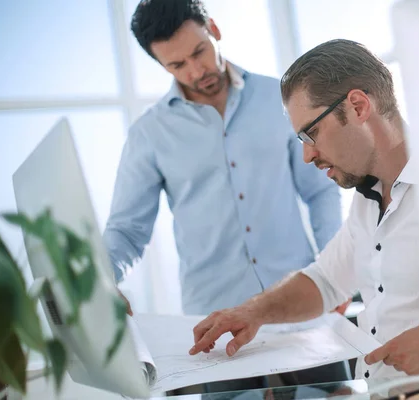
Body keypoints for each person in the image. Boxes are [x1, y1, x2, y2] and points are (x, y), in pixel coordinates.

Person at [103, 0, 350, 392]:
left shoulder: (278, 99)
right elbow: (128, 231)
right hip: (214, 329)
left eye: (199, 51)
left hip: (300, 311)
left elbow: (319, 193)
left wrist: (336, 272)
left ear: (213, 29)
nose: (196, 71)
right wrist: (102, 279)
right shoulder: (149, 134)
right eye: (176, 65)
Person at [189, 39, 419, 380]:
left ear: (357, 106)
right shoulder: (366, 200)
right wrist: (251, 312)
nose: (307, 156)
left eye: (312, 133)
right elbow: (324, 281)